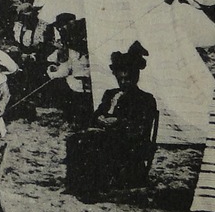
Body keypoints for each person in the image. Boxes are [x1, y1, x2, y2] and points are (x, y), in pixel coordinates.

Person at [64, 42, 159, 198]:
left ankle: (92, 188)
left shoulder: (144, 99)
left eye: (127, 79)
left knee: (96, 142)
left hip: (128, 141)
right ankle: (74, 184)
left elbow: (141, 126)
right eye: (120, 79)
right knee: (75, 139)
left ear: (135, 78)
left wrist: (117, 122)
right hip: (105, 134)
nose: (123, 83)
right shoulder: (110, 94)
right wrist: (100, 118)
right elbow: (96, 115)